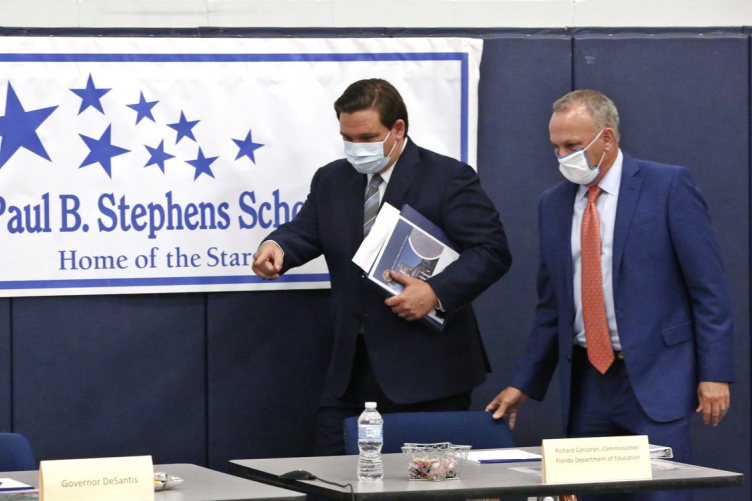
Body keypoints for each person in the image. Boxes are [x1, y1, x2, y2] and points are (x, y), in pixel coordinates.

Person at [486, 90, 734, 501]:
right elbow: (552, 309)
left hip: (657, 379)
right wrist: (524, 384)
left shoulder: (668, 185)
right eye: (556, 147)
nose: (563, 156)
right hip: (588, 384)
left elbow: (709, 290)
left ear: (607, 139)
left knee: (665, 495)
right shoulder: (553, 204)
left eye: (573, 146)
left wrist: (714, 374)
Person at [253, 78, 512, 455]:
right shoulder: (331, 178)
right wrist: (276, 246)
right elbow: (307, 229)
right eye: (348, 138)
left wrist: (436, 291)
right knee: (332, 480)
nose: (356, 148)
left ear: (398, 129)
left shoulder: (447, 178)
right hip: (350, 371)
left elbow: (492, 251)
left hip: (427, 374)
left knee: (422, 490)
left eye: (367, 138)